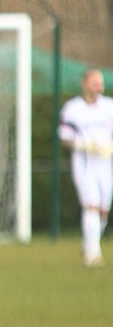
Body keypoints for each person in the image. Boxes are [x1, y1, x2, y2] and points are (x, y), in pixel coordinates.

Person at [59, 68, 113, 268]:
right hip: (85, 163)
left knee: (102, 211)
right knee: (91, 204)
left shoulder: (109, 107)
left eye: (100, 83)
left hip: (105, 163)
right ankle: (93, 254)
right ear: (85, 84)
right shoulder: (73, 108)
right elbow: (65, 136)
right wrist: (83, 145)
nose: (98, 87)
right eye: (94, 83)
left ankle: (89, 243)